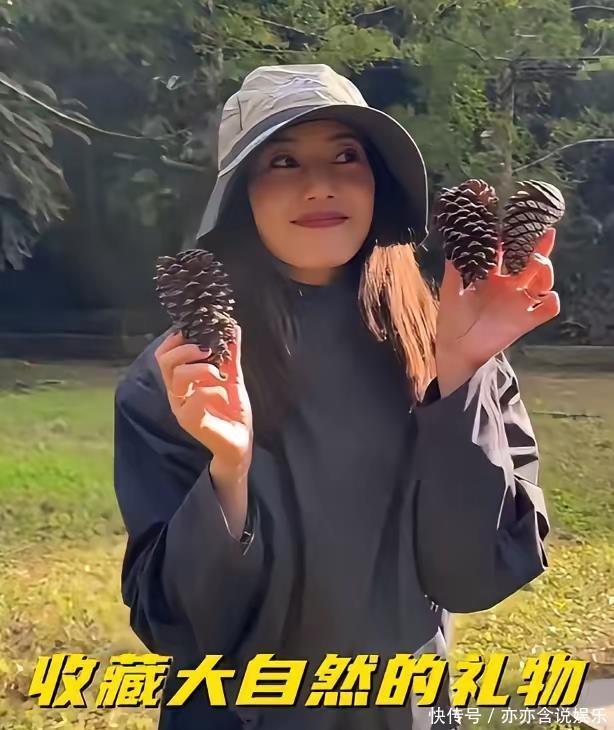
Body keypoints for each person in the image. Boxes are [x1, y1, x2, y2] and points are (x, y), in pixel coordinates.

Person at [113, 64, 556, 730]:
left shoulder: (446, 345)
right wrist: (227, 476)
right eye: (283, 161)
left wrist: (463, 378)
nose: (319, 184)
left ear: (380, 182)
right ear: (241, 195)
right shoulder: (183, 379)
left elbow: (474, 577)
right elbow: (175, 621)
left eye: (346, 156)